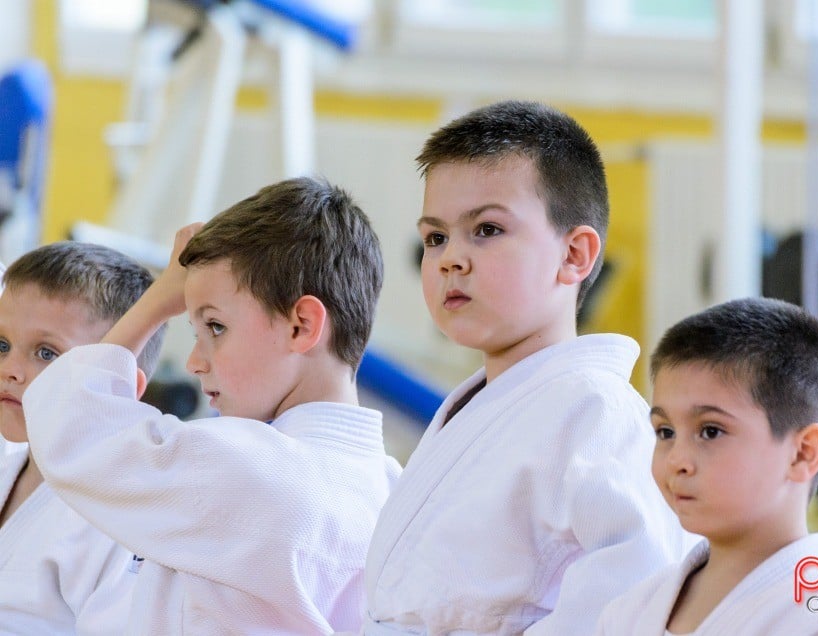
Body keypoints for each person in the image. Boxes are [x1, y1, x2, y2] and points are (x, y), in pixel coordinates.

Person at [362, 100, 691, 635]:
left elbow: (632, 604)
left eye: (487, 230)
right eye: (435, 237)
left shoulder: (595, 414)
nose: (450, 258)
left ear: (575, 255)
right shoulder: (484, 405)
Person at [24, 176, 401, 634]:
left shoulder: (248, 465)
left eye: (216, 327)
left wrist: (161, 297)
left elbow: (69, 420)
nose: (195, 361)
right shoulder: (389, 489)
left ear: (301, 326)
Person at [593, 297, 818, 635]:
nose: (677, 460)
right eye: (665, 432)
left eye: (710, 431)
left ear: (802, 453)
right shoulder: (630, 612)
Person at [0, 241, 164, 634]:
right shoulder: (8, 466)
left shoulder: (118, 521)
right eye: (2, 345)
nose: (11, 370)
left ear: (119, 384)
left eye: (46, 353)